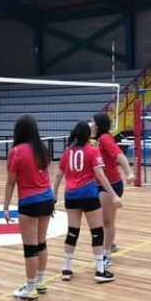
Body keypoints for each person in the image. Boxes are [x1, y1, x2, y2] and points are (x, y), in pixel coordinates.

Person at [53, 121, 121, 283]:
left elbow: (58, 175)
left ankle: (66, 268)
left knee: (72, 232)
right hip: (89, 194)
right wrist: (113, 195)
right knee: (97, 232)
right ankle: (99, 270)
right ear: (88, 134)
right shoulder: (92, 151)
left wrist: (54, 195)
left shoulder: (67, 152)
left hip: (71, 195)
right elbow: (100, 175)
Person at [3, 115, 54, 301]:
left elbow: (10, 182)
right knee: (41, 243)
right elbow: (47, 176)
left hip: (30, 200)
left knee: (30, 247)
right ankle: (40, 282)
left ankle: (30, 288)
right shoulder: (42, 149)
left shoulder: (16, 151)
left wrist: (6, 206)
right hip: (47, 198)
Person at [90, 113, 134, 269]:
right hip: (101, 184)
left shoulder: (105, 139)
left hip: (111, 185)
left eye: (92, 122)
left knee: (107, 221)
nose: (90, 124)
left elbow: (120, 156)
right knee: (103, 220)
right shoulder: (97, 140)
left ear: (98, 125)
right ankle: (111, 243)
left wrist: (129, 172)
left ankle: (107, 255)